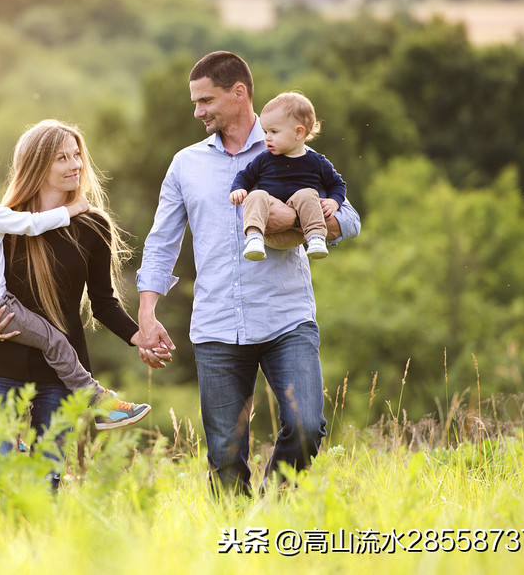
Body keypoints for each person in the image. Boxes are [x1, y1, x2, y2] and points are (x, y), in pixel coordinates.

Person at [135, 51, 361, 497]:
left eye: (206, 100)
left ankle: (270, 516)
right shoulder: (186, 164)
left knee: (305, 426)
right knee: (224, 453)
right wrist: (147, 312)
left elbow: (349, 220)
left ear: (239, 93)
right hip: (217, 324)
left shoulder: (296, 150)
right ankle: (238, 548)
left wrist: (296, 222)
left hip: (286, 317)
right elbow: (162, 241)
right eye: (195, 102)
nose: (197, 111)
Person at [0, 120, 153, 482]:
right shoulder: (4, 221)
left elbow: (103, 302)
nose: (75, 164)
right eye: (62, 157)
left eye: (77, 155)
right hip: (3, 363)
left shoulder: (93, 225)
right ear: (37, 165)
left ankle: (39, 540)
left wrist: (138, 335)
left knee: (47, 479)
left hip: (61, 372)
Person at [229, 91, 347, 262]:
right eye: (265, 131)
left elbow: (337, 184)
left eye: (274, 132)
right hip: (269, 230)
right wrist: (238, 189)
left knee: (307, 193)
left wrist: (334, 201)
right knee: (257, 195)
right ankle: (253, 238)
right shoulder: (264, 159)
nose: (266, 138)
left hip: (301, 234)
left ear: (298, 133)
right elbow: (244, 176)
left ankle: (316, 238)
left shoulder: (317, 161)